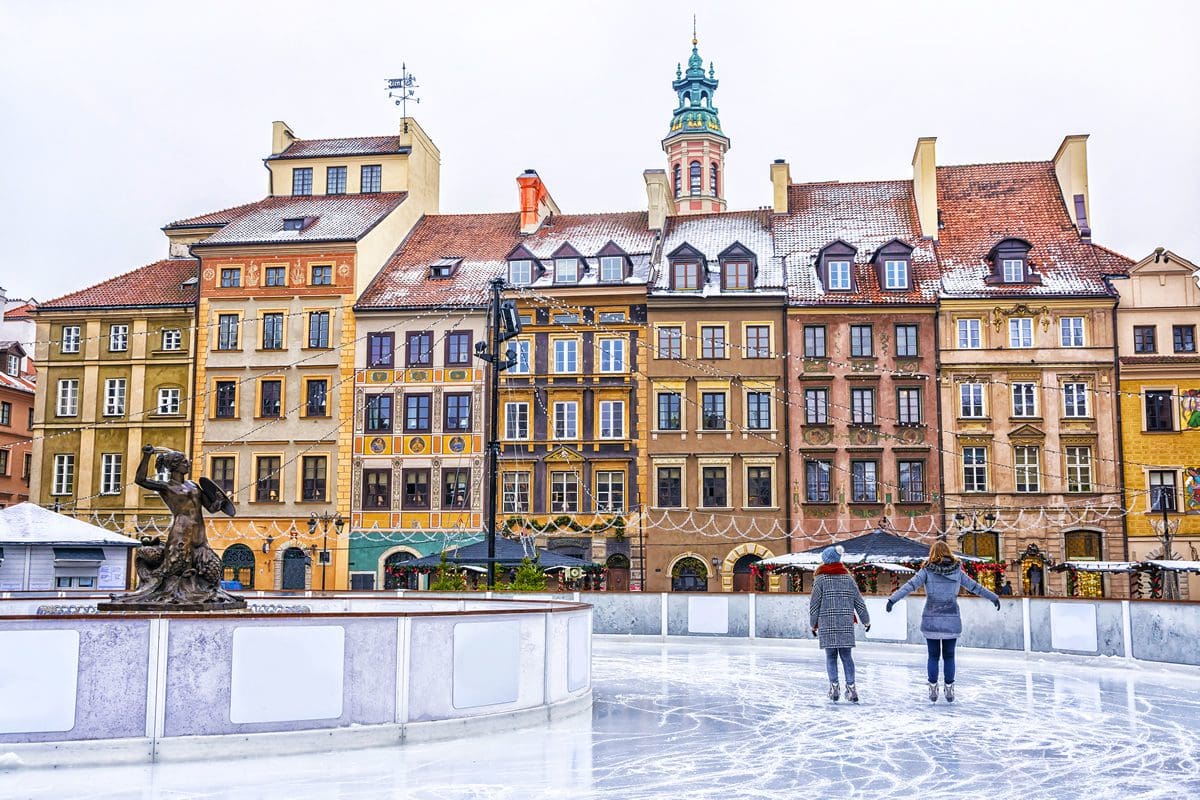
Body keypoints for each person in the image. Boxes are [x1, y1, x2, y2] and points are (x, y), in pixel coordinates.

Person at [886, 541, 1000, 703]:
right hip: (951, 618)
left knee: (933, 655)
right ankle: (949, 687)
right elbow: (974, 587)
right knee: (949, 655)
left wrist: (892, 599)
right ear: (948, 552)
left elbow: (911, 586)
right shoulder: (957, 571)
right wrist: (993, 597)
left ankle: (933, 687)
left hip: (931, 618)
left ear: (933, 553)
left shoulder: (926, 570)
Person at [809, 545, 870, 703]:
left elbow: (814, 604)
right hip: (845, 623)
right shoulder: (848, 578)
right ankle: (851, 689)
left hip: (826, 623)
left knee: (830, 657)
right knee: (846, 657)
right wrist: (866, 620)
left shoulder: (820, 579)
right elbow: (859, 602)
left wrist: (813, 624)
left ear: (826, 560)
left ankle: (834, 687)